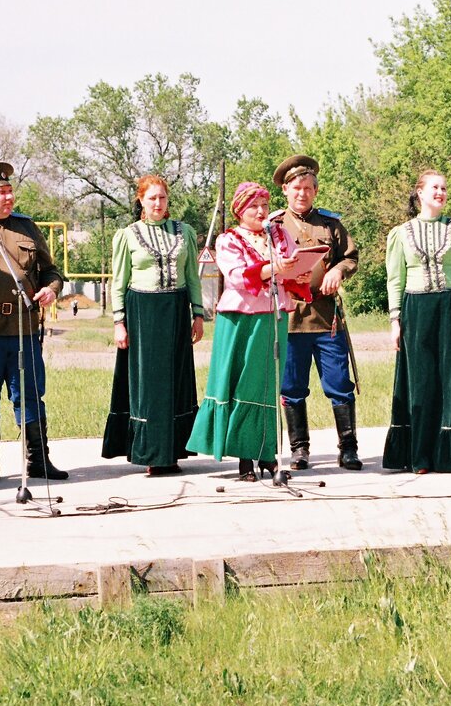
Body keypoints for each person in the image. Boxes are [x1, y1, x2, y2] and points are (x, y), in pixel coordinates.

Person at [186, 183, 309, 480]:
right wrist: (275, 267)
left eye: (264, 205)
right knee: (242, 383)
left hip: (273, 314)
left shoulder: (278, 234)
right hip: (241, 318)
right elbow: (238, 276)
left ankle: (267, 454)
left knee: (267, 383)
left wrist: (300, 270)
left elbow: (290, 268)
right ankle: (244, 457)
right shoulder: (229, 240)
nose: (260, 211)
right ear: (240, 210)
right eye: (253, 206)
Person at [0, 162, 67, 482]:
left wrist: (50, 289)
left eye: (10, 192)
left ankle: (38, 459)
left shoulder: (27, 227)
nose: (8, 198)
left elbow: (52, 270)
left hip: (24, 327)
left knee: (31, 395)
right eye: (1, 192)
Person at [383, 171, 451, 473]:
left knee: (447, 379)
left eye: (444, 188)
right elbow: (394, 280)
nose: (440, 192)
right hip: (417, 309)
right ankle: (419, 455)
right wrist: (395, 320)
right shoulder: (401, 233)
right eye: (434, 188)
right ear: (420, 193)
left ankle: (444, 454)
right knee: (421, 381)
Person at [102, 175, 204, 476]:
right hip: (142, 312)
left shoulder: (183, 232)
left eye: (162, 198)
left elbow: (193, 277)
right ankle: (151, 453)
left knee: (175, 379)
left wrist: (198, 314)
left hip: (175, 309)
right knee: (149, 383)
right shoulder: (128, 235)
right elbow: (118, 282)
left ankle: (172, 451)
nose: (158, 204)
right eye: (152, 198)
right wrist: (119, 322)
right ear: (141, 201)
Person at [268, 155, 362, 471]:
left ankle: (348, 448)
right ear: (285, 190)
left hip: (326, 319)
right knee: (292, 388)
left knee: (339, 384)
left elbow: (350, 257)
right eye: (296, 188)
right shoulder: (273, 226)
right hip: (290, 318)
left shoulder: (330, 224)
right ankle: (299, 449)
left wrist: (339, 271)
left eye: (308, 188)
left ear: (315, 190)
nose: (302, 193)